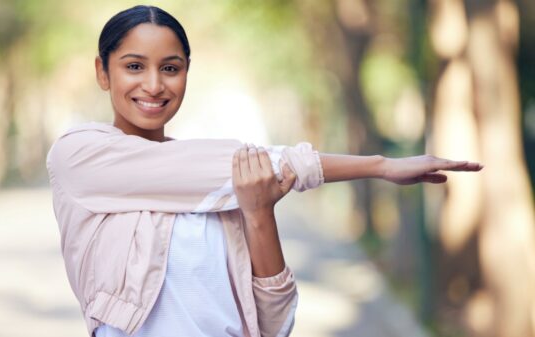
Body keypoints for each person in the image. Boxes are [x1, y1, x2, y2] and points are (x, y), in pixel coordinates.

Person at [46, 5, 482, 337]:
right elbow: (240, 163)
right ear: (103, 72)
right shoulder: (80, 157)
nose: (155, 85)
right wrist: (381, 166)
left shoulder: (229, 191)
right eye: (134, 66)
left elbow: (275, 323)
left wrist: (258, 213)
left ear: (186, 75)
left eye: (171, 68)